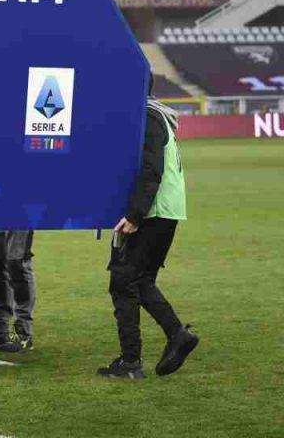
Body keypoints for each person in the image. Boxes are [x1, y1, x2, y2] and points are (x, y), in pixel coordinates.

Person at [99, 84, 199, 379]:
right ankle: (176, 336)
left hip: (153, 212)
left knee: (123, 281)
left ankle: (131, 362)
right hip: (164, 210)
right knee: (139, 281)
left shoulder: (147, 117)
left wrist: (135, 214)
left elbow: (150, 168)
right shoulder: (155, 113)